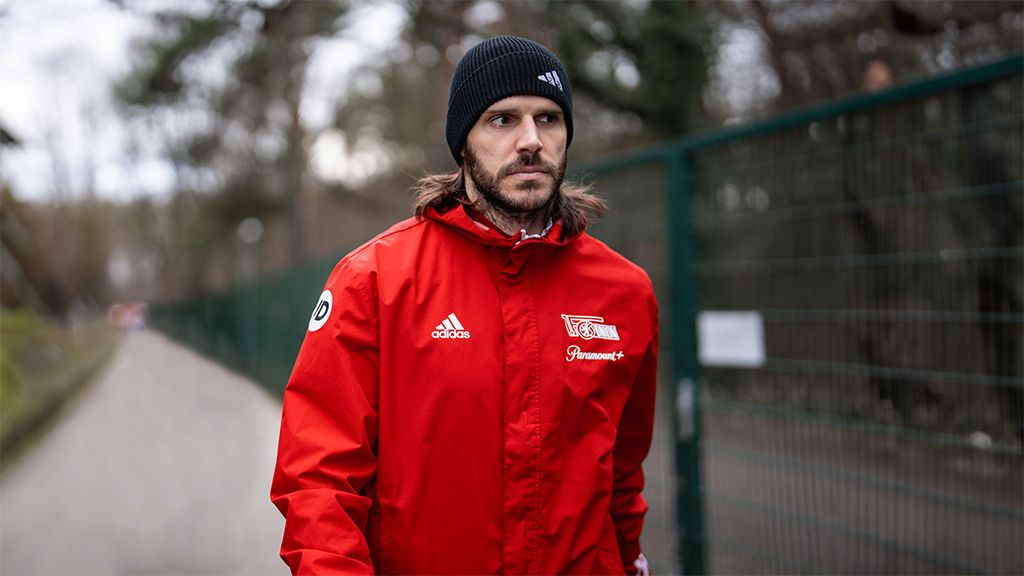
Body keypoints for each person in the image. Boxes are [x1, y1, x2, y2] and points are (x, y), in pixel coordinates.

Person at [271, 35, 658, 575]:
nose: (530, 141)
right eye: (502, 120)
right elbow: (318, 478)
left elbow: (622, 474)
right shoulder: (375, 280)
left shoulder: (624, 291)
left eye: (548, 119)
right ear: (463, 142)